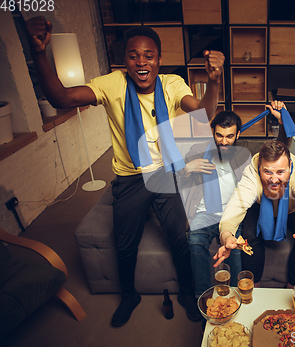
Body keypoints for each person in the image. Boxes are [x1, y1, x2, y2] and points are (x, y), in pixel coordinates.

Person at [26, 17, 224, 326]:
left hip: (166, 172)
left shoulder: (171, 84)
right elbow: (61, 99)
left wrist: (213, 82)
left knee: (179, 238)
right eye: (133, 55)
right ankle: (129, 296)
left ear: (159, 60)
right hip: (131, 177)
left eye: (148, 55)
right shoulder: (112, 84)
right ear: (124, 60)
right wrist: (39, 52)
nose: (141, 61)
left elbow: (202, 112)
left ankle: (187, 292)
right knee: (124, 242)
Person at [179, 101, 287, 297]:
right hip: (204, 213)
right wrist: (186, 169)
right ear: (213, 131)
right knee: (194, 241)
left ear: (238, 134)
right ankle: (201, 297)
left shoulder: (246, 150)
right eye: (219, 135)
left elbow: (278, 150)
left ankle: (235, 298)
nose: (224, 141)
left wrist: (281, 121)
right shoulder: (197, 149)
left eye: (230, 136)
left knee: (235, 251)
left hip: (232, 213)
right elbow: (175, 181)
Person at [213, 139, 295, 288]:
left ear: (290, 167)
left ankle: (292, 289)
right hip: (260, 206)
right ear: (260, 167)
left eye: (281, 172)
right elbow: (237, 203)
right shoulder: (251, 170)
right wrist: (226, 235)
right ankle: (254, 288)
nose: (274, 180)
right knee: (249, 236)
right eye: (267, 172)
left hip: (293, 209)